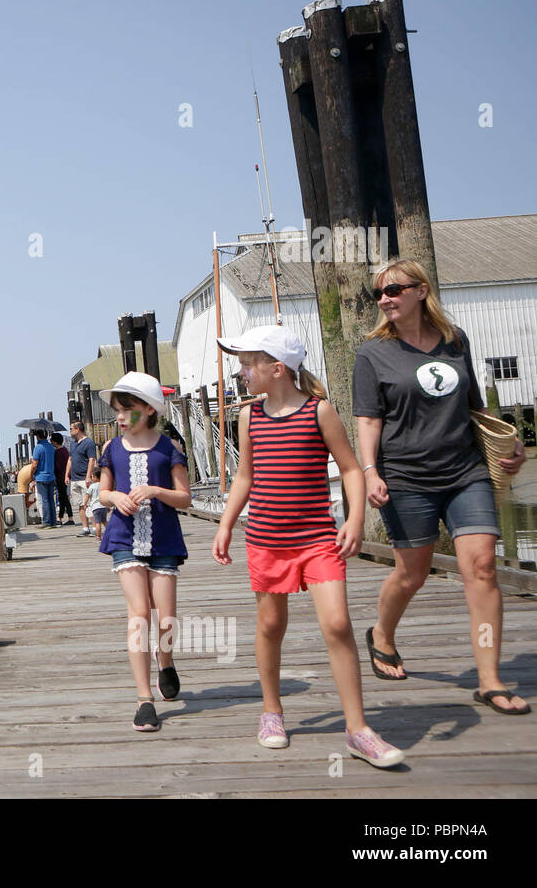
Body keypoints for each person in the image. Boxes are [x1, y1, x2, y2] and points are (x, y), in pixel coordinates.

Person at [212, 325, 406, 768]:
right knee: (270, 624)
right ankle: (272, 711)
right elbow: (245, 477)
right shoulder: (249, 416)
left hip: (317, 538)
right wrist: (225, 525)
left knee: (337, 623)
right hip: (266, 539)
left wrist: (355, 520)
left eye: (247, 364)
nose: (242, 372)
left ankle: (358, 729)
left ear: (276, 368)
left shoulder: (320, 412)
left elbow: (351, 469)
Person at [353, 259, 528, 715]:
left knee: (483, 568)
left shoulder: (455, 340)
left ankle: (489, 679)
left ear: (420, 290)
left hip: (464, 470)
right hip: (406, 476)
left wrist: (512, 445)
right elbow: (368, 419)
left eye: (394, 289)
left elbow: (473, 405)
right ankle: (381, 634)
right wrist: (371, 471)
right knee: (412, 572)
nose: (385, 299)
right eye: (379, 294)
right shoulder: (372, 353)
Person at [96, 372, 190, 731]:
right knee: (139, 614)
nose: (119, 416)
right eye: (117, 410)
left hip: (164, 538)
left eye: (127, 409)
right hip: (124, 537)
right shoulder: (112, 449)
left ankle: (165, 658)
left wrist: (155, 490)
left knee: (166, 617)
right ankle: (144, 698)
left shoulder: (168, 448)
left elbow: (185, 497)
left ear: (149, 410)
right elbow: (103, 492)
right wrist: (115, 496)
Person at [67, 421, 97, 536]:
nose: (70, 431)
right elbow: (70, 460)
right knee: (80, 504)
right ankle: (85, 527)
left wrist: (88, 476)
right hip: (74, 478)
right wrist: (67, 474)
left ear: (77, 429)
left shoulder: (88, 442)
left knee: (89, 503)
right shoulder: (73, 443)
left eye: (71, 428)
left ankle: (95, 527)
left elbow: (91, 459)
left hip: (84, 478)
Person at [32, 429, 58, 529]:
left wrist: (31, 474)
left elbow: (34, 464)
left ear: (38, 436)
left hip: (41, 476)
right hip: (51, 476)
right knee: (51, 499)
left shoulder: (38, 447)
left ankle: (46, 522)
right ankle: (53, 521)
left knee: (44, 499)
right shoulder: (51, 447)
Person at [51, 432, 73, 525]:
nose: (51, 442)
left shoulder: (57, 452)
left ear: (55, 441)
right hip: (66, 476)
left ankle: (70, 518)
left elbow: (58, 467)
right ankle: (60, 518)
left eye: (51, 440)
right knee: (62, 497)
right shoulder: (65, 450)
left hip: (60, 478)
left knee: (64, 498)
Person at [85, 466, 106, 540]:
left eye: (92, 477)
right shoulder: (103, 485)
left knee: (97, 523)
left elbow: (87, 496)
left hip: (96, 507)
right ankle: (111, 533)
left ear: (95, 477)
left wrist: (85, 504)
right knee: (104, 522)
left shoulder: (92, 486)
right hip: (103, 506)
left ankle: (99, 536)